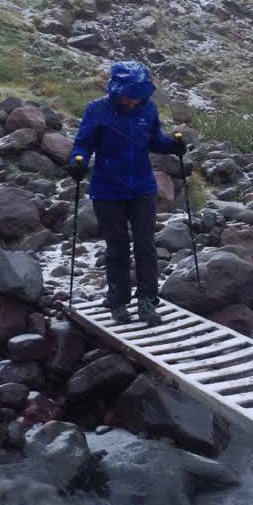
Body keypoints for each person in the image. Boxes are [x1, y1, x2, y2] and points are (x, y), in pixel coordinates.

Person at [68, 61, 184, 325]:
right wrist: (77, 161)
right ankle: (119, 302)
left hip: (142, 188)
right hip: (108, 190)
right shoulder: (97, 110)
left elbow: (155, 141)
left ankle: (147, 301)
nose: (133, 101)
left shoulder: (148, 109)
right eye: (129, 95)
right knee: (117, 247)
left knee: (146, 246)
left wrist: (173, 145)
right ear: (116, 90)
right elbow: (83, 144)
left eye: (138, 96)